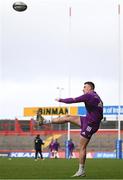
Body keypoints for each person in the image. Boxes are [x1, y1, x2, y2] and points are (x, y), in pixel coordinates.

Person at [36, 81, 103, 176]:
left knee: (82, 147)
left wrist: (61, 100)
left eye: (84, 87)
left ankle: (81, 170)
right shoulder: (96, 96)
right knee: (68, 117)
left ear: (90, 88)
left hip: (90, 124)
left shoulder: (89, 95)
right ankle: (44, 121)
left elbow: (73, 100)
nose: (83, 89)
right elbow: (99, 113)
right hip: (88, 120)